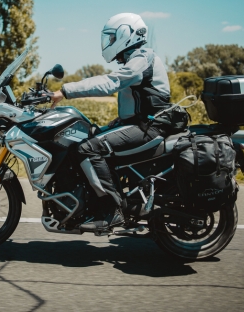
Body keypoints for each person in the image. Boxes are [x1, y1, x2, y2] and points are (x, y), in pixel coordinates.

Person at [50, 12, 171, 233]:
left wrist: (65, 91)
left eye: (113, 38)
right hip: (142, 124)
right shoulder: (137, 57)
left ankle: (113, 210)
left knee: (88, 148)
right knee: (87, 137)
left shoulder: (143, 59)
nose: (110, 43)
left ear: (128, 33)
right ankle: (92, 203)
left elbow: (110, 82)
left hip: (150, 128)